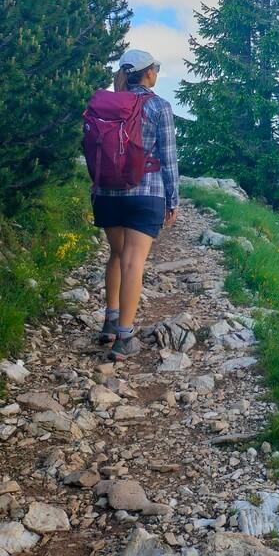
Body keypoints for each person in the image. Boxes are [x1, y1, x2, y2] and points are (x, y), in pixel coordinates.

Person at [91, 49, 179, 361]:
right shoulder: (159, 106)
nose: (156, 72)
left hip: (107, 194)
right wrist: (173, 199)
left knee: (116, 255)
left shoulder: (107, 105)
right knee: (133, 261)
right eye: (155, 68)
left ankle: (110, 320)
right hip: (147, 192)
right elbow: (168, 157)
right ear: (148, 73)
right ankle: (124, 338)